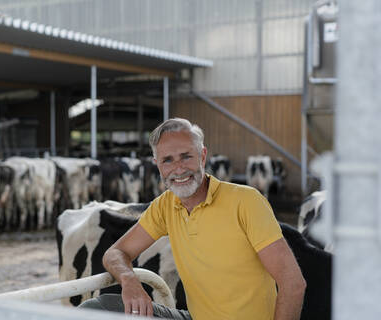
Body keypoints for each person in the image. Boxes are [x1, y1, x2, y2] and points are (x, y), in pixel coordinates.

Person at [79, 118, 306, 319]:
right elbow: (116, 253)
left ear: (203, 156)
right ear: (157, 164)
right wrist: (130, 281)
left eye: (186, 156)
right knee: (98, 307)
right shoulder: (165, 206)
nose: (179, 169)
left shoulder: (246, 201)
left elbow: (293, 284)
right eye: (167, 160)